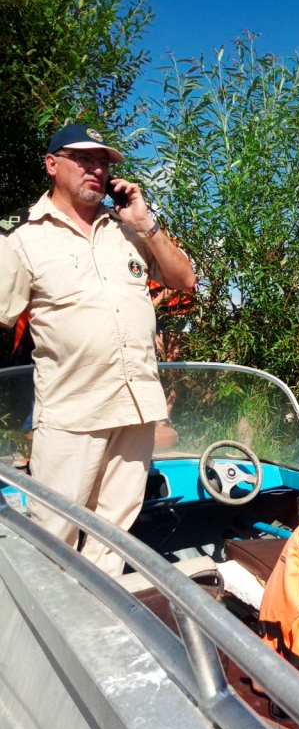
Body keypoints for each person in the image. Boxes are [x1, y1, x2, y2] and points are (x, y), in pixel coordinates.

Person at [0, 124, 196, 576]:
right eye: (84, 158)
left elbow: (184, 282)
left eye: (103, 161)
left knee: (115, 540)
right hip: (72, 414)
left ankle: (101, 630)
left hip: (136, 409)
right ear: (52, 164)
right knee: (54, 540)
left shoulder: (127, 232)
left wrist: (146, 223)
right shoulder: (21, 235)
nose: (97, 168)